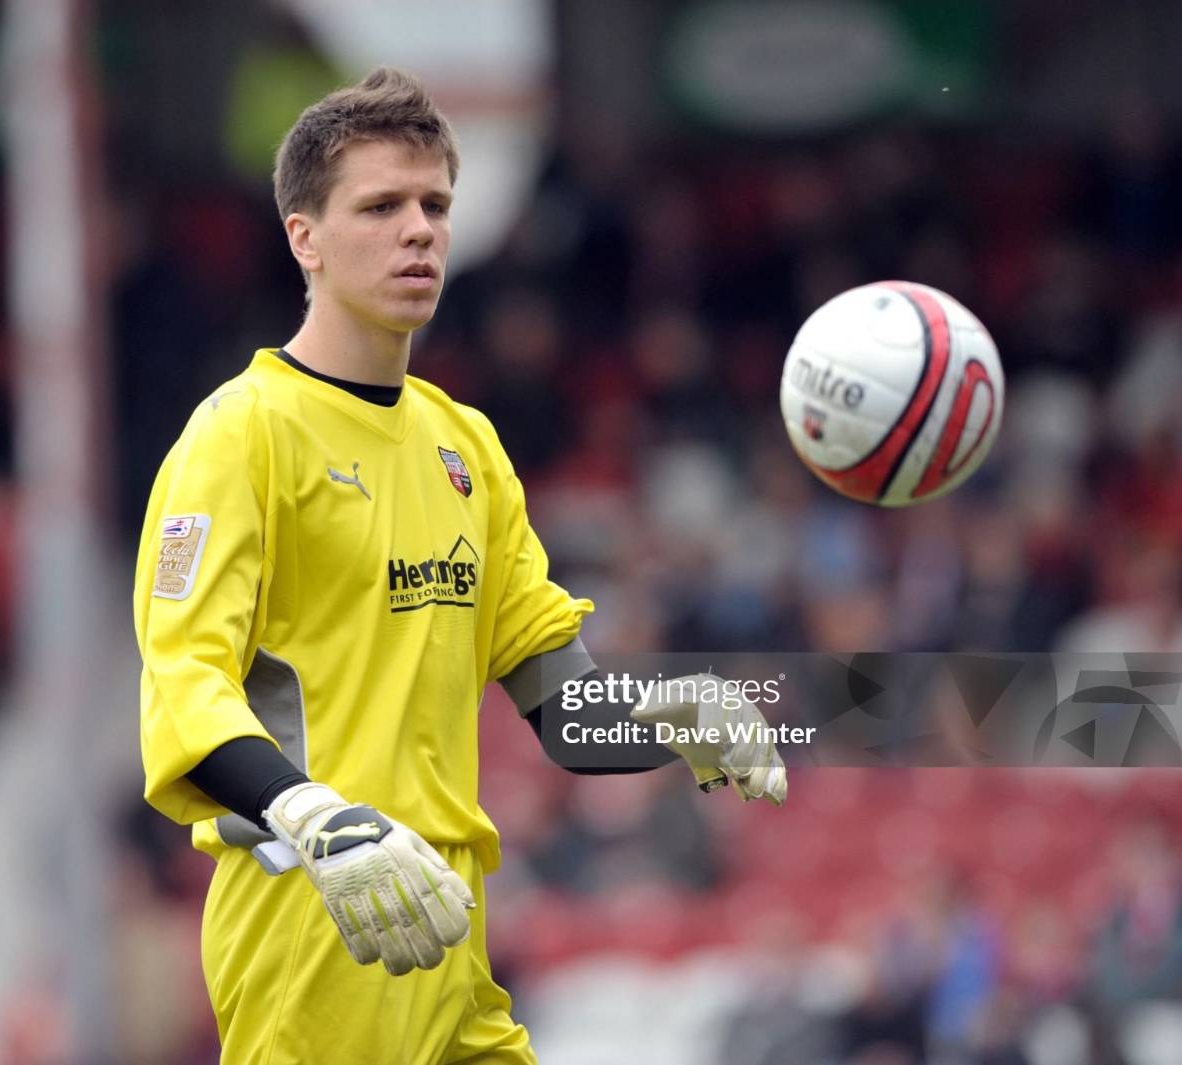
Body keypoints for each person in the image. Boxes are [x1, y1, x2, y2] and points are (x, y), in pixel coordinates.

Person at [135, 67, 787, 1064]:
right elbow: (184, 685)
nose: (419, 231)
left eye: (435, 205)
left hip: (452, 934)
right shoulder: (241, 435)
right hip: (318, 919)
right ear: (303, 237)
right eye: (381, 206)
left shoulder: (466, 447)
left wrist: (674, 710)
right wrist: (320, 818)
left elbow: (562, 712)